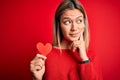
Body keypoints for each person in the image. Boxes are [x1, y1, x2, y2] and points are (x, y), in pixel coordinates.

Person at [30, 0, 103, 80]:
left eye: (79, 21)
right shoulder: (44, 55)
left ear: (84, 24)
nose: (74, 28)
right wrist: (36, 78)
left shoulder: (91, 56)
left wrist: (84, 59)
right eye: (67, 22)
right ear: (59, 25)